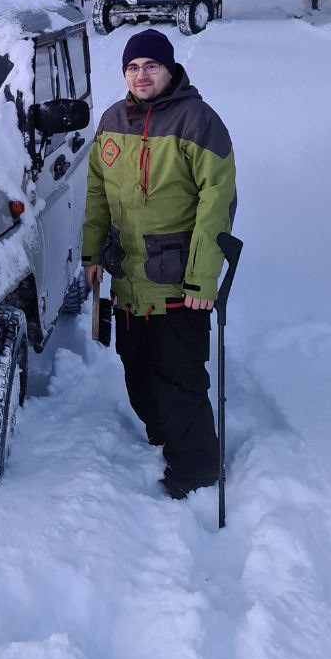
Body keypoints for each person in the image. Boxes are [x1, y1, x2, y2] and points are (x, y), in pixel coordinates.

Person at [81, 28, 236, 499]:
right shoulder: (112, 120)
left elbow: (217, 204)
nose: (141, 74)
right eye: (132, 67)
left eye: (150, 65)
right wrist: (91, 255)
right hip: (128, 279)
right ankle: (164, 433)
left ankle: (196, 470)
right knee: (137, 371)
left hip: (179, 282)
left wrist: (202, 279)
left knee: (180, 380)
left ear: (170, 69)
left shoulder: (198, 121)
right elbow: (96, 196)